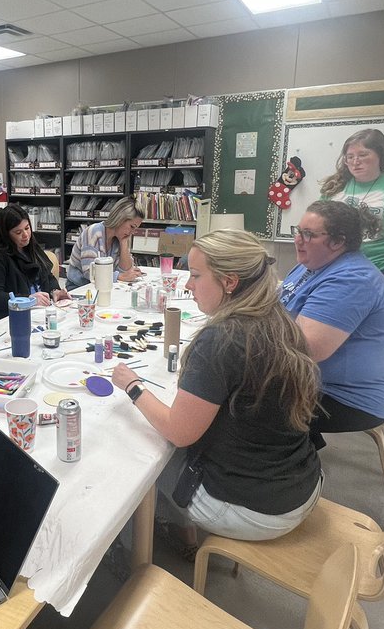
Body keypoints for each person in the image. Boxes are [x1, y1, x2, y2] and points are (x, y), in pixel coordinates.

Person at [111, 230, 322, 547]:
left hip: (258, 511)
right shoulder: (280, 318)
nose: (187, 285)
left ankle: (142, 548)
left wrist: (133, 386)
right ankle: (180, 530)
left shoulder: (221, 339)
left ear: (230, 282)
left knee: (140, 456)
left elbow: (179, 432)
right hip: (301, 485)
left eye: (195, 275)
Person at [281, 201, 384, 448]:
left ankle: (297, 468)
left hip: (345, 397)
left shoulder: (351, 279)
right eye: (297, 231)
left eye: (308, 234)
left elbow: (305, 347)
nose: (298, 240)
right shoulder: (310, 265)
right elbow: (278, 306)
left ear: (338, 241)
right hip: (312, 381)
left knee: (241, 404)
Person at [319, 127, 384, 299]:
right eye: (350, 157)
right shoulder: (335, 185)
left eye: (363, 155)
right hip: (336, 265)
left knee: (369, 321)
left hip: (381, 267)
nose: (355, 162)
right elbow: (318, 226)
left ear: (380, 156)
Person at [0, 204, 71, 322]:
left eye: (27, 228)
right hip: (8, 318)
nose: (25, 235)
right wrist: (28, 300)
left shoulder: (31, 247)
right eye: (18, 232)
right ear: (6, 234)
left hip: (38, 312)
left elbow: (48, 276)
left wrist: (55, 292)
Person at [66, 196, 145, 289]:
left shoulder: (119, 237)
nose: (133, 232)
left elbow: (126, 271)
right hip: (80, 288)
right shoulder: (93, 232)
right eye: (132, 227)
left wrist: (123, 242)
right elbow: (89, 273)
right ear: (120, 219)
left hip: (104, 287)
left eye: (136, 229)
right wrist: (119, 276)